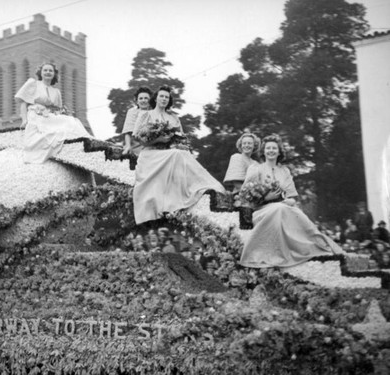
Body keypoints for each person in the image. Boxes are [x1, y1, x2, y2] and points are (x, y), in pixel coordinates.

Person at [239, 134, 342, 268]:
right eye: (268, 148)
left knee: (299, 216)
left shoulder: (285, 171)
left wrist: (290, 201)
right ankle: (273, 255)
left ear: (279, 152)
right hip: (260, 209)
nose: (271, 151)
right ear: (263, 151)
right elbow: (245, 195)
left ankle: (316, 247)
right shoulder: (255, 168)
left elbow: (291, 196)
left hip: (283, 206)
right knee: (279, 209)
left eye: (274, 148)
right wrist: (265, 198)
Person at [132, 85, 226, 224]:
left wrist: (177, 143)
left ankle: (205, 186)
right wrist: (158, 139)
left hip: (170, 151)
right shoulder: (146, 115)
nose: (164, 99)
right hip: (151, 153)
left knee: (182, 153)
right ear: (156, 98)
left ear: (169, 100)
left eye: (166, 97)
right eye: (161, 96)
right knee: (177, 154)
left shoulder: (174, 118)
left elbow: (181, 138)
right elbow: (137, 137)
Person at [15, 62, 92, 163]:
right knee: (55, 131)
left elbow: (58, 111)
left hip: (50, 116)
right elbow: (23, 103)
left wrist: (63, 112)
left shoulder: (56, 92)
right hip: (36, 115)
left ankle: (85, 142)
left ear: (54, 74)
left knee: (72, 121)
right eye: (45, 70)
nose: (48, 72)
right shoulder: (33, 84)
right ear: (40, 73)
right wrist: (24, 120)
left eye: (50, 71)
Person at [121, 87, 152, 155]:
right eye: (141, 98)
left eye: (146, 98)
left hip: (152, 144)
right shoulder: (132, 112)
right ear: (137, 101)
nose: (143, 100)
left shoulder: (154, 112)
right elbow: (128, 131)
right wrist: (128, 145)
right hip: (135, 144)